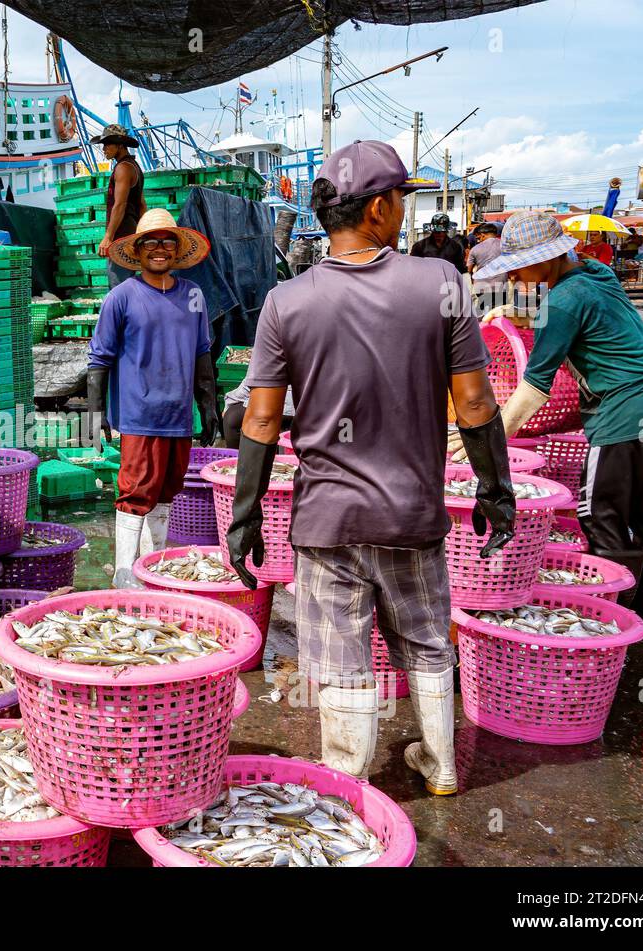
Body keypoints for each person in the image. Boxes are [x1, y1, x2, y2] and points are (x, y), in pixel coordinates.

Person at [227, 140, 514, 795]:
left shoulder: (286, 301)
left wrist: (245, 520)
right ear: (382, 207)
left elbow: (262, 421)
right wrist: (497, 491)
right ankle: (441, 766)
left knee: (338, 652)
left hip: (327, 520)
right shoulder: (440, 283)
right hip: (413, 512)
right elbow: (474, 401)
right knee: (425, 642)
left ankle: (348, 778)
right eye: (402, 202)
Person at [471, 210, 643, 632]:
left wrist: (487, 443)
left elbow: (534, 390)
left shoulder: (564, 299)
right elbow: (582, 315)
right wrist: (518, 312)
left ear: (546, 259)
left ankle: (610, 624)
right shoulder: (596, 274)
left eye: (518, 269)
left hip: (622, 421)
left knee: (600, 519)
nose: (514, 279)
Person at [88, 208, 219, 586]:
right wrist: (96, 413)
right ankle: (124, 573)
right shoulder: (121, 297)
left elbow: (202, 352)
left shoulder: (193, 296)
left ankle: (153, 566)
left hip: (177, 416)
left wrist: (208, 404)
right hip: (138, 413)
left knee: (166, 491)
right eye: (151, 243)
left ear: (177, 251)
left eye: (167, 242)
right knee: (135, 492)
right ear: (138, 250)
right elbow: (99, 358)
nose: (159, 249)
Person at [90, 123, 147, 289]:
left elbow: (120, 205)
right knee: (128, 287)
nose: (104, 149)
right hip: (131, 235)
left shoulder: (123, 168)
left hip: (122, 238)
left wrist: (108, 236)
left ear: (120, 145)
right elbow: (142, 204)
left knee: (118, 288)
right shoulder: (134, 167)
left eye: (108, 144)